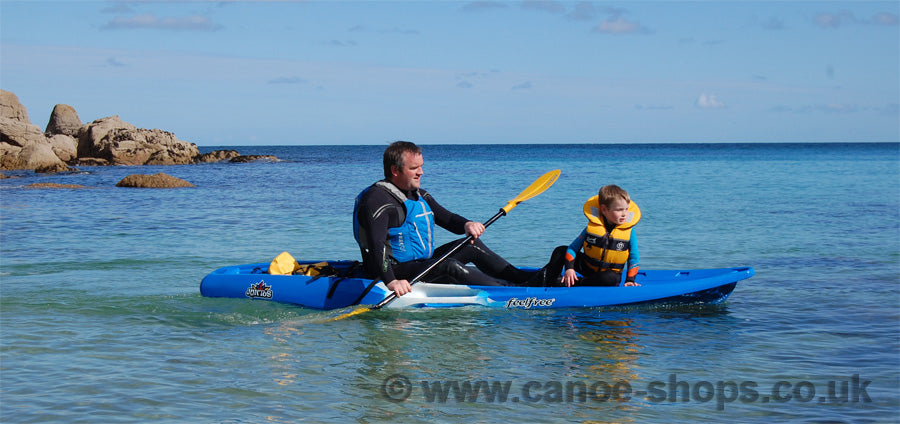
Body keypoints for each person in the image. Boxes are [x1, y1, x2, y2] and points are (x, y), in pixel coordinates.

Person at [353, 141, 539, 296]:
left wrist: (467, 224)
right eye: (414, 168)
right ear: (395, 170)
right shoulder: (376, 200)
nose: (421, 172)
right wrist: (392, 281)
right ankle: (511, 291)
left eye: (421, 167)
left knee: (470, 244)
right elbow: (375, 246)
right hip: (390, 269)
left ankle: (522, 278)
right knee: (448, 266)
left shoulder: (417, 195)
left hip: (418, 263)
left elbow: (446, 218)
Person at [544, 185, 641, 287]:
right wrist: (569, 269)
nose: (624, 214)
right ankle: (548, 279)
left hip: (608, 275)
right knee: (561, 251)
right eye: (619, 210)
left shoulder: (629, 232)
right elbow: (572, 248)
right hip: (587, 267)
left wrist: (630, 280)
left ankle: (576, 283)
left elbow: (633, 258)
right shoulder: (592, 227)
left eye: (626, 209)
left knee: (610, 278)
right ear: (604, 209)